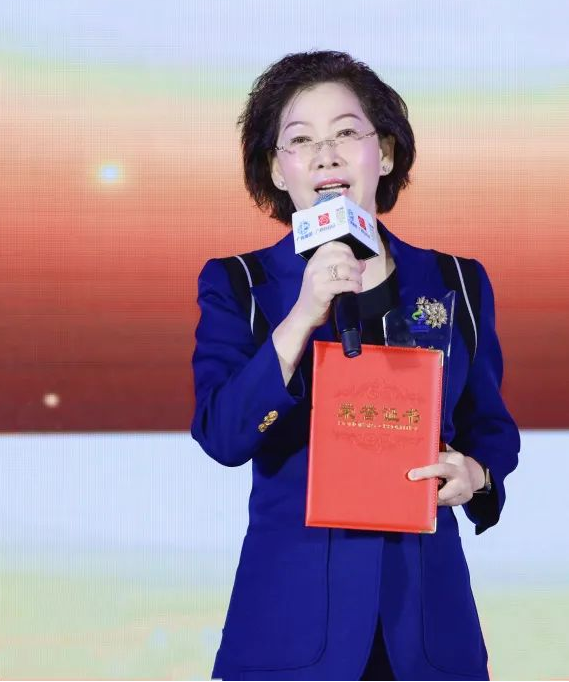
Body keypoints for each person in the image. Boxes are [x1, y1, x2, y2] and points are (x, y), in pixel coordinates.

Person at [190, 51, 520, 681]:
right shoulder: (241, 285)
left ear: (385, 153)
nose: (326, 155)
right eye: (299, 140)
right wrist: (302, 314)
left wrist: (476, 475)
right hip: (291, 633)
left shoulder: (456, 281)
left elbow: (491, 430)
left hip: (427, 632)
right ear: (276, 170)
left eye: (346, 132)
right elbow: (224, 435)